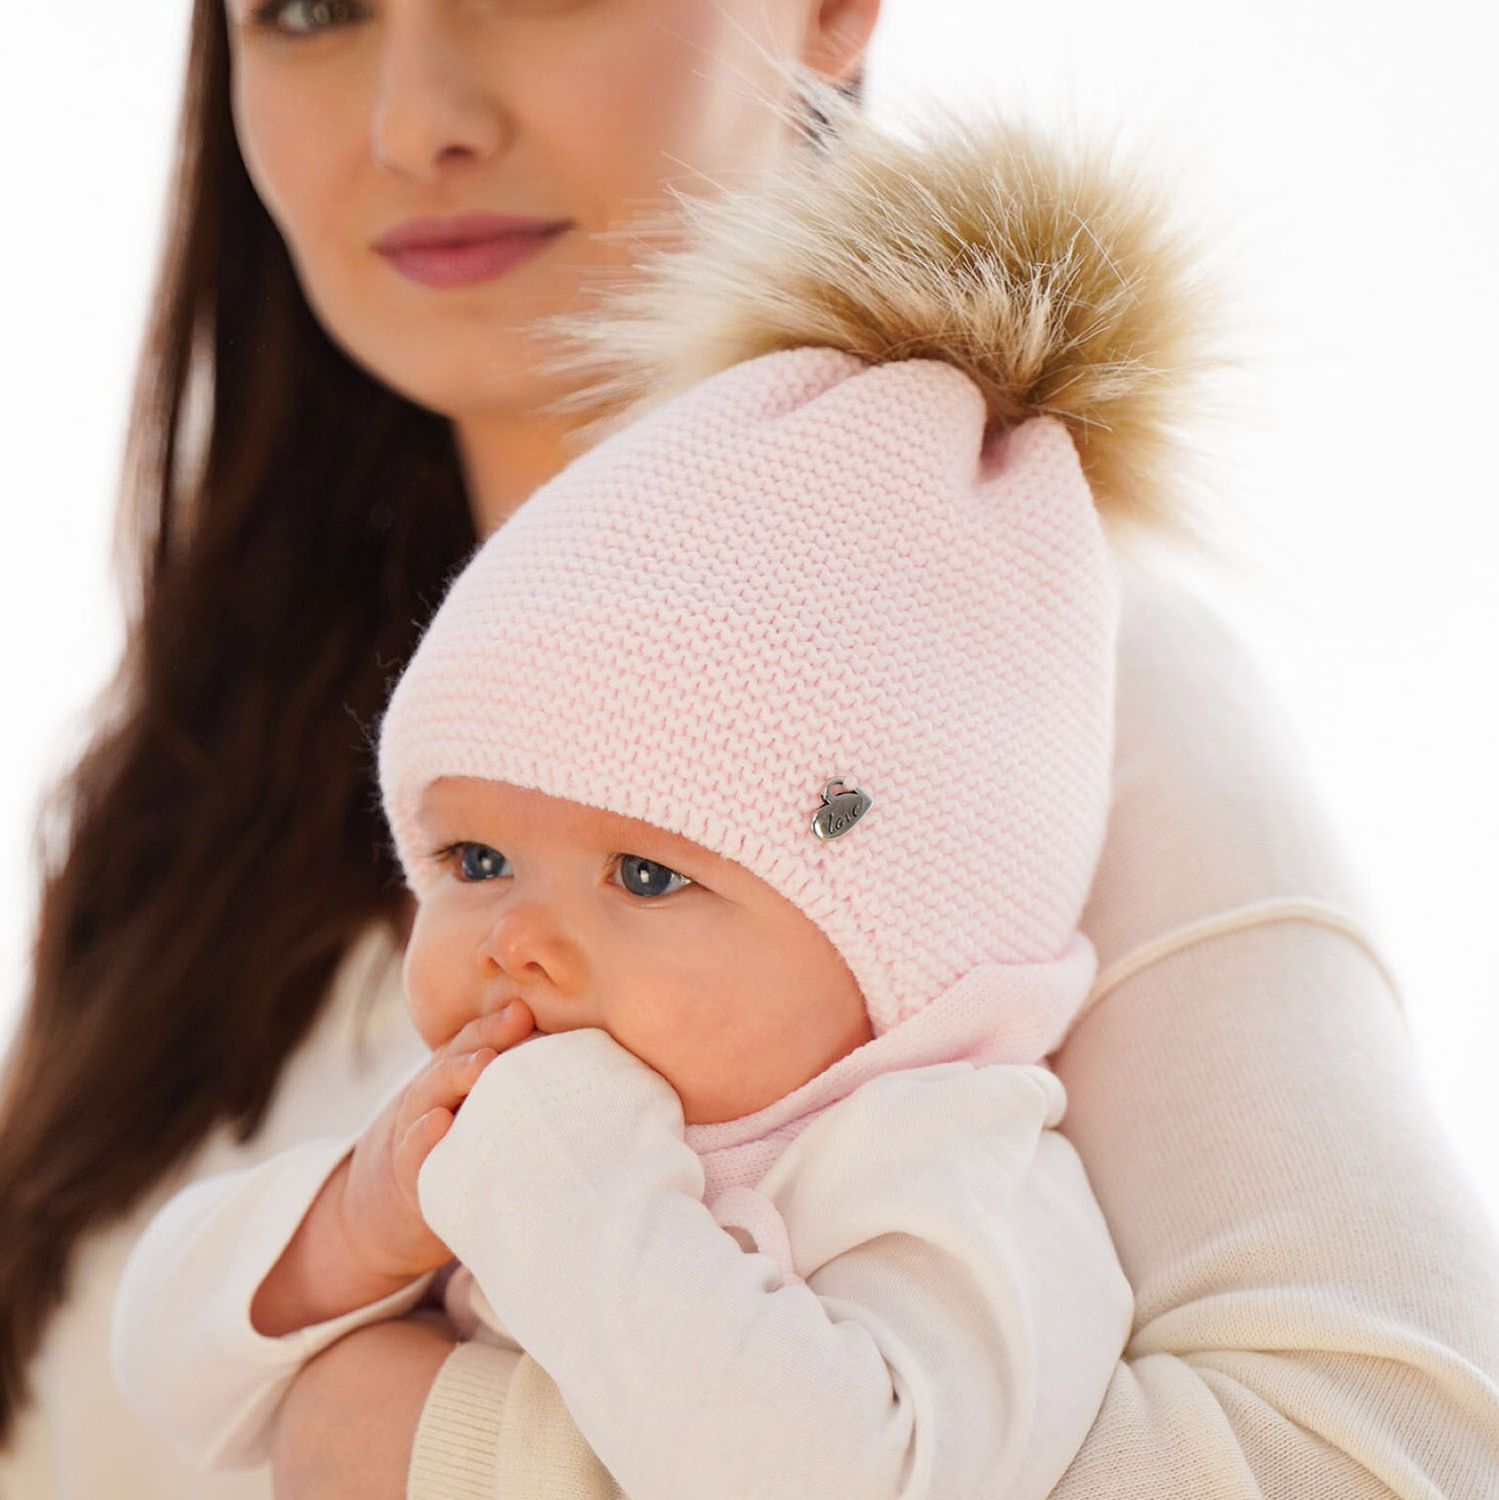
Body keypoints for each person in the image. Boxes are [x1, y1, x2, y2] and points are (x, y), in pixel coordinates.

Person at [2, 0, 1497, 1496]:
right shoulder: (186, 802)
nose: (414, 119)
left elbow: (1394, 1457)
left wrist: (464, 1455)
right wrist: (334, 1237)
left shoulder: (1005, 694)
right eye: (311, 6)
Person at [112, 111, 1153, 1491]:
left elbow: (857, 1470)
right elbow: (167, 1371)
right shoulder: (474, 1114)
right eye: (475, 856)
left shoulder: (946, 1169)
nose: (516, 941)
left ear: (901, 949)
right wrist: (343, 1230)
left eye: (648, 876)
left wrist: (568, 1190)